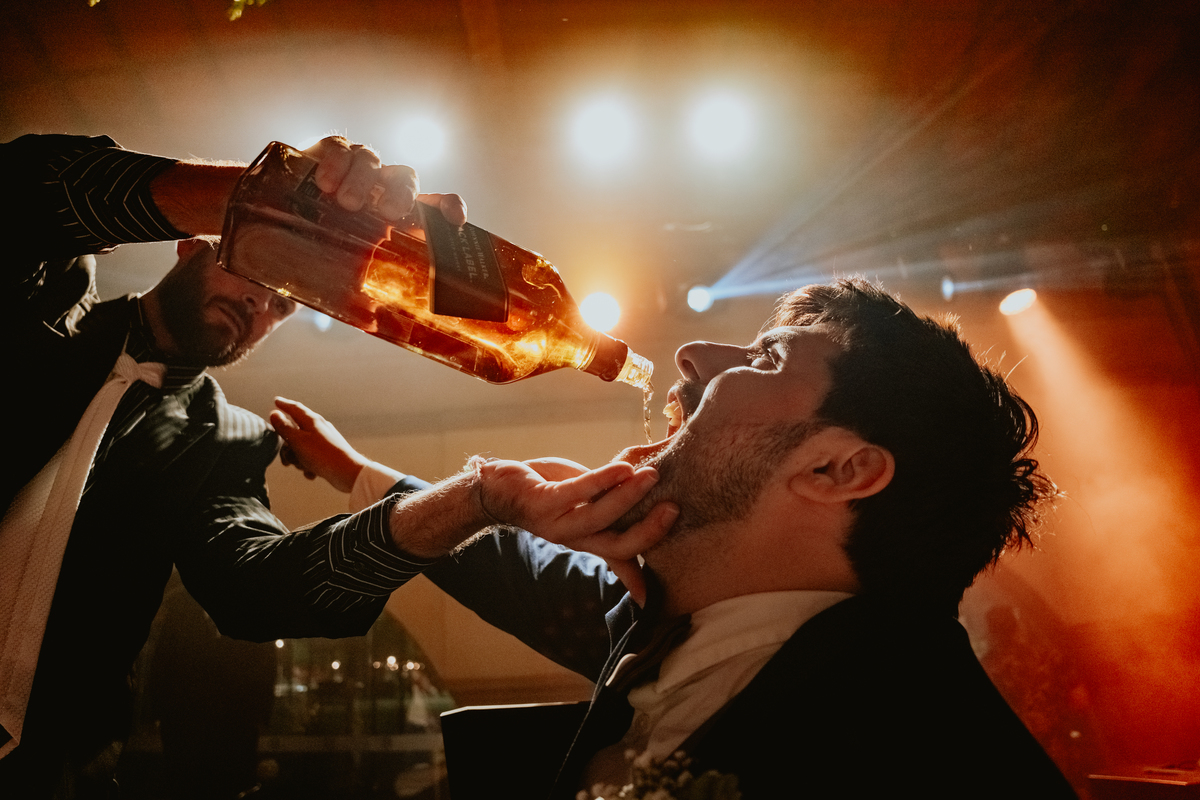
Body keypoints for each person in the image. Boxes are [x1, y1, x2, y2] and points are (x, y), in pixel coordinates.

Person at [0, 133, 666, 799]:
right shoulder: (44, 304)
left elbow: (261, 591)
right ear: (193, 242)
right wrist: (262, 200)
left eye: (285, 301)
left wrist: (475, 499)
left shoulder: (222, 440)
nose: (262, 306)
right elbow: (23, 189)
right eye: (259, 277)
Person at [275, 278, 1079, 798]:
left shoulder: (934, 753)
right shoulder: (665, 622)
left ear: (838, 471)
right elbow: (505, 564)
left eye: (767, 358)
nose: (691, 354)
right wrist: (366, 473)